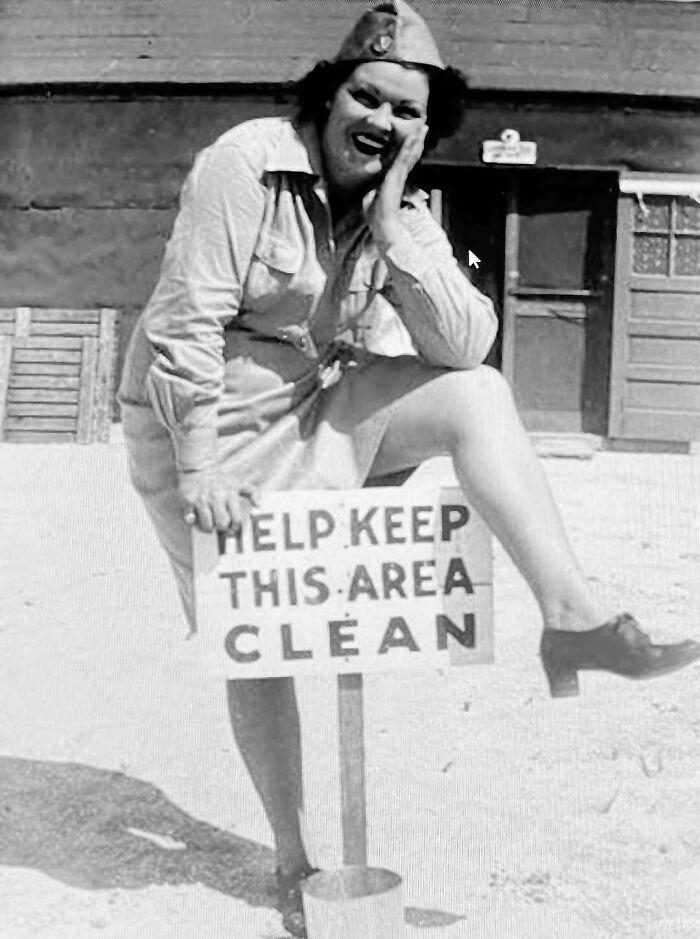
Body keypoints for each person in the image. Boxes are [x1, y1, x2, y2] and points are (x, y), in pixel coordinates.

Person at [118, 2, 700, 934]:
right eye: (366, 96)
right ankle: (296, 863)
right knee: (260, 636)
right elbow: (186, 321)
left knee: (477, 397)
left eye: (404, 113)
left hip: (314, 401)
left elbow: (466, 344)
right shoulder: (244, 161)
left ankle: (574, 619)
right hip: (205, 423)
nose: (379, 122)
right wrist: (198, 471)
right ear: (328, 93)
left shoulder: (403, 205)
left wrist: (394, 227)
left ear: (421, 132)